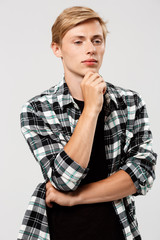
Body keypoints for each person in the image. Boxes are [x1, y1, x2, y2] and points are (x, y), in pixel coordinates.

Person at [18, 6, 157, 240]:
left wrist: (76, 197)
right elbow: (63, 180)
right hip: (58, 230)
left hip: (116, 229)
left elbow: (142, 174)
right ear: (57, 49)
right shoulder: (36, 109)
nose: (91, 49)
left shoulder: (130, 102)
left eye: (97, 40)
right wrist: (91, 109)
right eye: (78, 42)